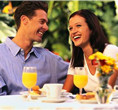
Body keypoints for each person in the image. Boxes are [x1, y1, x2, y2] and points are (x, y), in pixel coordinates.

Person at [0, 1, 69, 95]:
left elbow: (77, 72)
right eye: (42, 22)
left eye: (46, 23)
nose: (46, 27)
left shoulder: (49, 59)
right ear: (24, 20)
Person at [63, 9, 118, 94]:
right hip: (91, 105)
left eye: (78, 26)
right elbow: (65, 92)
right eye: (70, 28)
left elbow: (106, 91)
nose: (73, 31)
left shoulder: (110, 51)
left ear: (91, 28)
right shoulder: (76, 59)